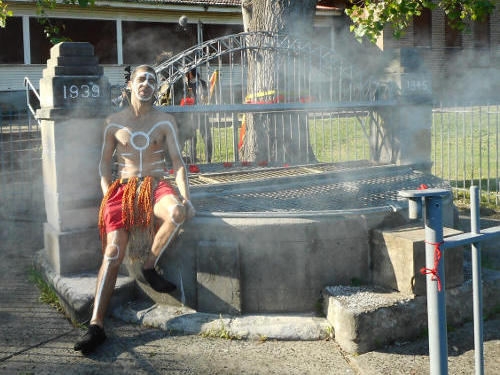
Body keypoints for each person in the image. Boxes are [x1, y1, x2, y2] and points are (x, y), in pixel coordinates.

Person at [74, 65, 195, 355]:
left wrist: (186, 196)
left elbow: (178, 162)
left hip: (155, 185)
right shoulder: (114, 122)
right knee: (113, 251)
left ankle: (148, 265)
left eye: (152, 80)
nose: (147, 84)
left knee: (177, 213)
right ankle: (96, 326)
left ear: (157, 88)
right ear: (130, 84)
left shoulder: (165, 121)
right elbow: (104, 164)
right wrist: (107, 195)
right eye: (141, 79)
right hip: (123, 189)